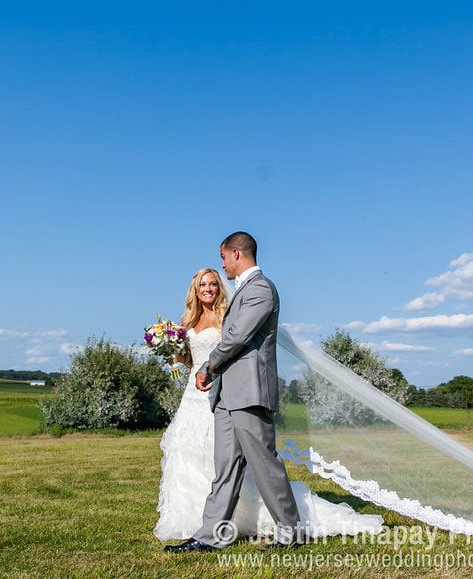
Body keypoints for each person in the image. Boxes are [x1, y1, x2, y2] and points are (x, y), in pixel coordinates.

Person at [162, 232, 382, 552]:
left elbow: (237, 336)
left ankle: (290, 532)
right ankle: (210, 536)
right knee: (225, 468)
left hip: (250, 392)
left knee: (265, 465)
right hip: (225, 395)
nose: (222, 264)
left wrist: (209, 365)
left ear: (237, 254)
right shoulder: (244, 291)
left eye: (224, 257)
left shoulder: (261, 289)